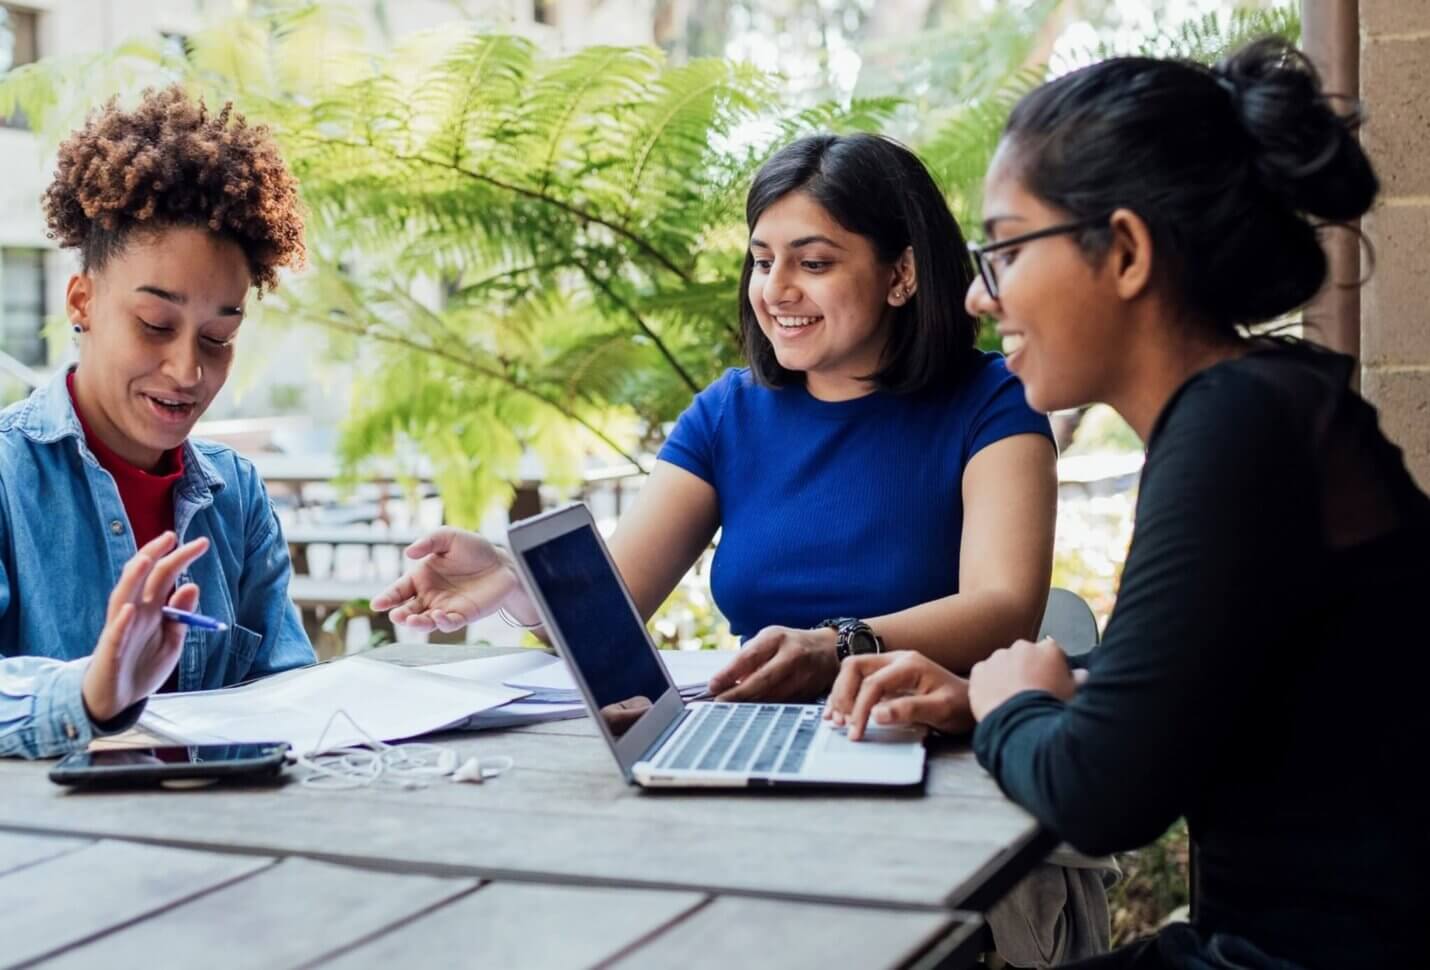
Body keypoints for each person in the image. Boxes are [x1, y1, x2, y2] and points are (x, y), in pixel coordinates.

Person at [826, 38, 1428, 968]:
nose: (983, 298)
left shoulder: (1238, 428)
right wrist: (986, 701)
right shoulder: (1263, 404)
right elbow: (1208, 689)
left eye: (1007, 249)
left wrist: (1013, 710)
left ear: (1128, 252)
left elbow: (1104, 794)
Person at [374, 132, 1057, 703]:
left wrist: (838, 645)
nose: (776, 289)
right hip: (758, 732)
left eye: (813, 262)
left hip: (929, 737)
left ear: (902, 274)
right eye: (762, 262)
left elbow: (1003, 609)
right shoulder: (728, 414)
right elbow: (611, 609)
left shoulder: (992, 401)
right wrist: (509, 579)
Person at [0, 86, 316, 759]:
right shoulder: (7, 477)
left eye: (217, 337)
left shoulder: (240, 497)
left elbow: (289, 694)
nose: (186, 371)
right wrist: (91, 694)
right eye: (154, 325)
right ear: (82, 301)